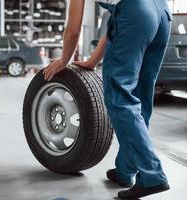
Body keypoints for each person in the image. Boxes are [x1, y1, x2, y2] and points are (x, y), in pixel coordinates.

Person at [43, 0, 172, 199]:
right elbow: (118, 20)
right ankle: (125, 169)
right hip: (162, 13)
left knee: (119, 98)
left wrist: (63, 60)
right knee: (140, 97)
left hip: (135, 13)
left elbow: (73, 30)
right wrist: (93, 61)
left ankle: (152, 175)